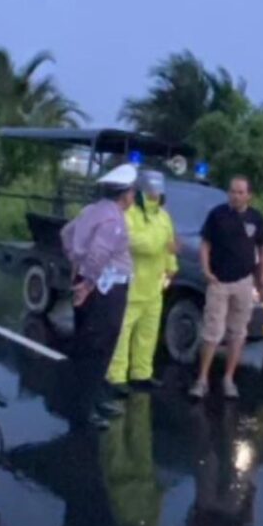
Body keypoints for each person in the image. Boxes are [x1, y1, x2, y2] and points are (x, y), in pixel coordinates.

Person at [61, 163, 138, 429]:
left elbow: (66, 233)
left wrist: (76, 264)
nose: (133, 196)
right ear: (125, 194)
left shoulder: (91, 211)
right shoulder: (114, 220)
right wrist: (88, 284)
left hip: (91, 282)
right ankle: (85, 409)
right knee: (99, 347)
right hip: (106, 289)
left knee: (87, 343)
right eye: (132, 192)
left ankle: (95, 398)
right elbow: (99, 254)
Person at [189, 176, 263, 400]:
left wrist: (262, 276)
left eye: (240, 192)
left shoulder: (256, 218)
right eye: (232, 191)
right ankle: (202, 379)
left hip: (244, 282)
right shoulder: (217, 215)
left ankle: (228, 379)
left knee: (238, 332)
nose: (236, 195)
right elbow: (205, 244)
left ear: (249, 195)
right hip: (219, 282)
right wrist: (206, 271)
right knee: (212, 332)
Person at [106, 169, 178, 396]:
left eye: (159, 190)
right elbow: (138, 243)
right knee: (122, 334)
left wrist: (171, 266)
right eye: (151, 190)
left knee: (147, 334)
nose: (155, 194)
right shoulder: (130, 214)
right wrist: (161, 243)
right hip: (132, 285)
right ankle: (116, 377)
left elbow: (169, 246)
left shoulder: (163, 216)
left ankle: (141, 374)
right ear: (141, 190)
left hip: (154, 287)